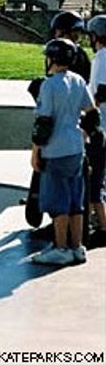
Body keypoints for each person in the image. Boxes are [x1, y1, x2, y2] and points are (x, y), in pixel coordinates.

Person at [30, 38, 99, 266]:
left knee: (57, 200)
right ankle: (77, 247)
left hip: (55, 150)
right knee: (75, 200)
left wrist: (35, 152)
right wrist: (83, 135)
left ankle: (60, 248)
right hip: (76, 149)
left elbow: (43, 124)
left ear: (53, 59)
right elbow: (93, 114)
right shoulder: (78, 80)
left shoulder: (49, 85)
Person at [85, 15, 106, 236]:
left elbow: (101, 91)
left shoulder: (102, 57)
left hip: (101, 126)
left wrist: (88, 113)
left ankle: (101, 225)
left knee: (95, 178)